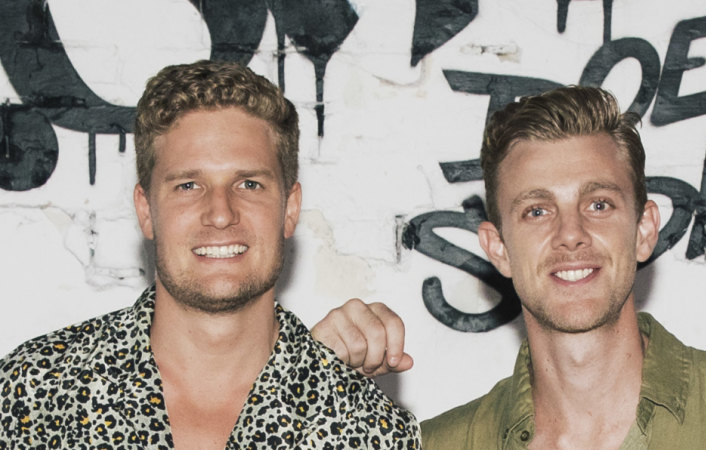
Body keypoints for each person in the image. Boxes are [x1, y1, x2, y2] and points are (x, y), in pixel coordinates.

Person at [312, 86, 706, 449]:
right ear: (498, 248)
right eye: (537, 211)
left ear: (645, 230)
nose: (571, 233)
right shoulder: (440, 445)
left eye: (599, 204)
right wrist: (305, 394)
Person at [0, 60, 420, 449]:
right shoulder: (34, 393)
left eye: (249, 184)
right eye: (188, 186)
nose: (220, 213)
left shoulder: (369, 430)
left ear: (290, 209)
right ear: (145, 210)